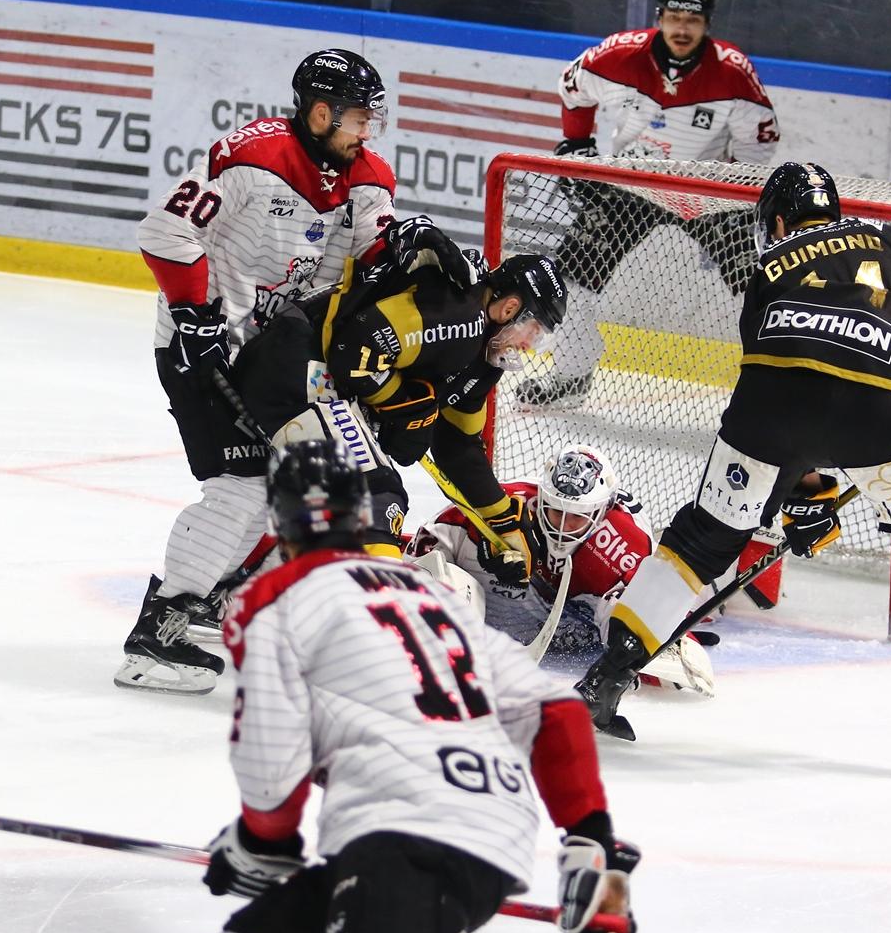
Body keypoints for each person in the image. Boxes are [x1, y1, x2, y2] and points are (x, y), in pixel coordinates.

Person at [161, 439, 638, 933]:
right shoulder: (424, 593)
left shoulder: (275, 595)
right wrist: (592, 849)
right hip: (480, 827)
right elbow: (553, 710)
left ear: (280, 522)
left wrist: (261, 842)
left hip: (409, 834)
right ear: (362, 519)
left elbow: (272, 750)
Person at [576, 162, 891, 773]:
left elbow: (797, 389)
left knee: (701, 541)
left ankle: (607, 675)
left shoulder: (766, 271)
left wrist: (802, 491)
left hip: (765, 409)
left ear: (778, 221)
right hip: (872, 407)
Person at [115, 49, 398, 696]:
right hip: (202, 349)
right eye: (358, 117)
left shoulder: (365, 175)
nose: (366, 131)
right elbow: (164, 233)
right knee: (240, 486)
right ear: (320, 112)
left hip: (273, 357)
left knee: (278, 483)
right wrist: (195, 319)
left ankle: (211, 594)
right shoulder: (252, 159)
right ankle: (155, 634)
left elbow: (367, 258)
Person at [523, 0, 780, 408]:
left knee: (762, 288)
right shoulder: (619, 54)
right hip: (634, 185)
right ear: (659, 16)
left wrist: (730, 189)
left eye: (693, 20)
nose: (682, 28)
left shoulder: (732, 71)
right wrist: (578, 146)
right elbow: (572, 87)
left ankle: (775, 394)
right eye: (675, 16)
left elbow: (762, 140)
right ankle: (571, 375)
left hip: (707, 193)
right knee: (570, 276)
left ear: (708, 24)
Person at [228, 241, 565, 570]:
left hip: (304, 376)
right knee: (375, 496)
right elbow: (353, 352)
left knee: (285, 496)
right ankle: (379, 615)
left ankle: (246, 590)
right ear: (510, 309)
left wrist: (503, 516)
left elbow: (458, 445)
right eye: (534, 332)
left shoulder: (483, 360)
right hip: (295, 367)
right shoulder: (460, 316)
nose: (530, 347)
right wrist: (404, 404)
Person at [407, 443, 717, 714]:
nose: (563, 526)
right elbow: (423, 552)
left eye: (577, 516)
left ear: (601, 511)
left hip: (577, 634)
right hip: (491, 624)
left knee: (661, 661)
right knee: (435, 581)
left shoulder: (624, 542)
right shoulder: (503, 505)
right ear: (542, 497)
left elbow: (646, 610)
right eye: (556, 512)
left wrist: (651, 644)